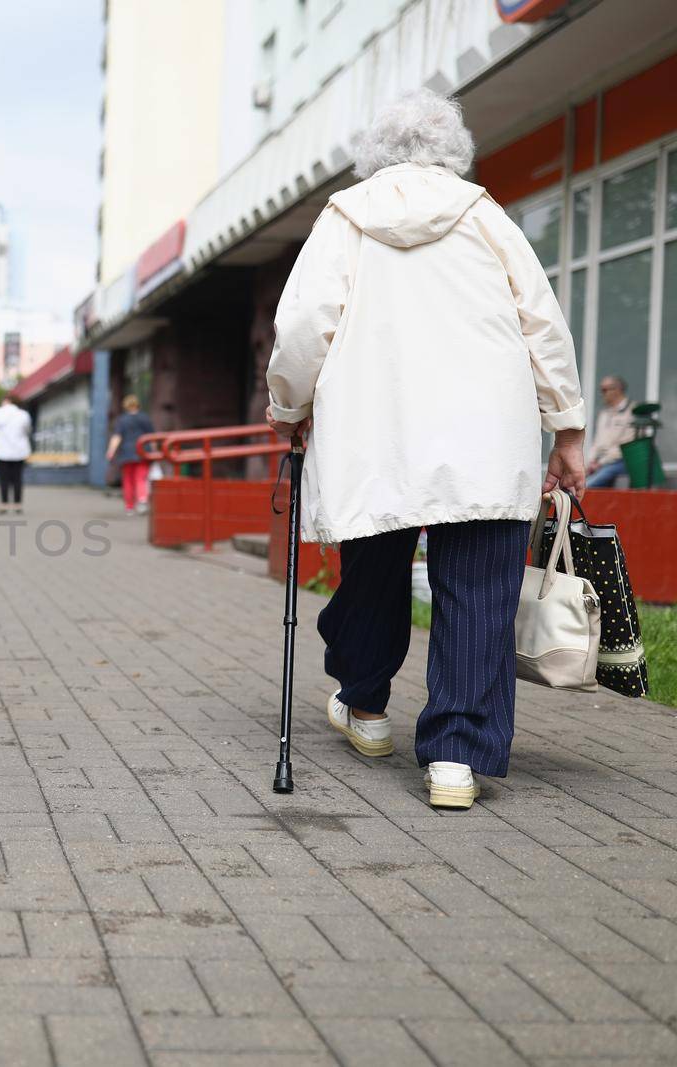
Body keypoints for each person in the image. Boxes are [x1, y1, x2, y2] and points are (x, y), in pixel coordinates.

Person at [265, 89, 585, 812]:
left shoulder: (344, 220)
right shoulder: (488, 219)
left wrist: (289, 408)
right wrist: (566, 428)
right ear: (453, 152)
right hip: (484, 436)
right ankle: (455, 759)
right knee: (476, 589)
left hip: (377, 435)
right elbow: (544, 326)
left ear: (373, 155)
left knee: (373, 569)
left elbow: (303, 328)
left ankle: (367, 706)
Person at [0, 394, 32, 514]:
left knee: (3, 478)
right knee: (17, 478)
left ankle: (4, 504)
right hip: (19, 450)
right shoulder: (23, 414)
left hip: (1, 450)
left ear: (6, 401)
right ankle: (17, 504)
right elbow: (27, 430)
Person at [105, 395, 155, 515]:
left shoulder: (122, 420)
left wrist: (111, 451)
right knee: (141, 478)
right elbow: (151, 437)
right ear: (137, 404)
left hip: (126, 454)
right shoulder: (145, 418)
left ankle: (129, 506)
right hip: (142, 452)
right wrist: (154, 451)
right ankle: (142, 500)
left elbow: (117, 436)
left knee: (128, 480)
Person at [587, 375, 637, 489]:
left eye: (604, 390)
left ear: (617, 390)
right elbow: (597, 442)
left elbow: (627, 446)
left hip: (620, 462)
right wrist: (591, 461)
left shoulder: (633, 411)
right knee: (573, 483)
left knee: (587, 486)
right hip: (600, 464)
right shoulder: (603, 413)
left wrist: (600, 463)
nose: (602, 394)